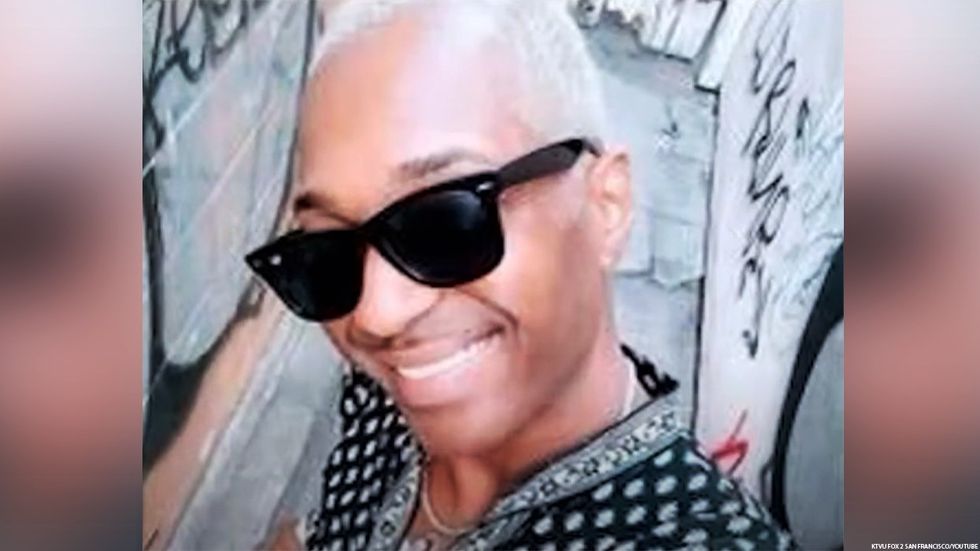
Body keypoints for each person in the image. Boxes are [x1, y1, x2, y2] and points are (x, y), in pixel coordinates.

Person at [249, 1, 792, 549]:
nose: (375, 315)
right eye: (327, 250)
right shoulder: (386, 395)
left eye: (447, 222)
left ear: (605, 205)